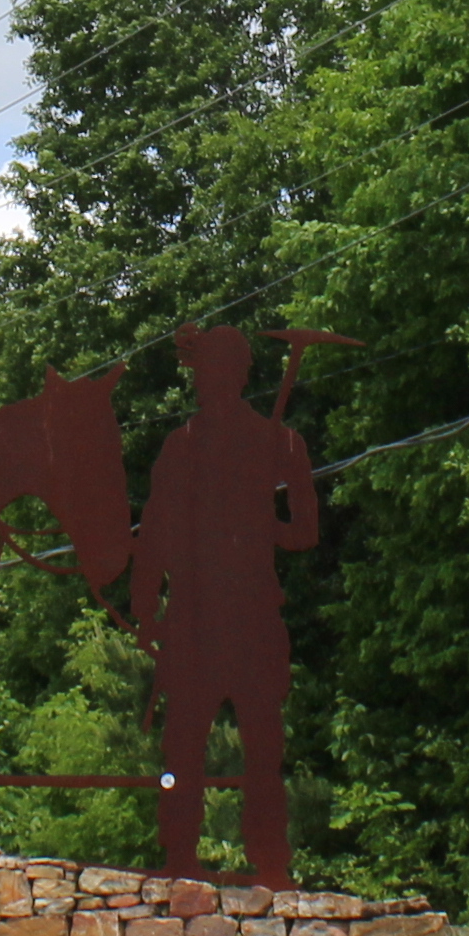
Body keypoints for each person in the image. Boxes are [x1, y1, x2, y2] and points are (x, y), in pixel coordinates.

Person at [136, 326, 324, 883]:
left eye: (213, 371)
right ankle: (179, 856)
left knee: (263, 748)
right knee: (181, 754)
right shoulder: (182, 445)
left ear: (236, 374)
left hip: (250, 618)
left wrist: (260, 521)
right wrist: (147, 605)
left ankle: (270, 859)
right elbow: (155, 532)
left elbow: (305, 533)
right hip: (193, 620)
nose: (203, 383)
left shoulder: (282, 443)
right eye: (200, 373)